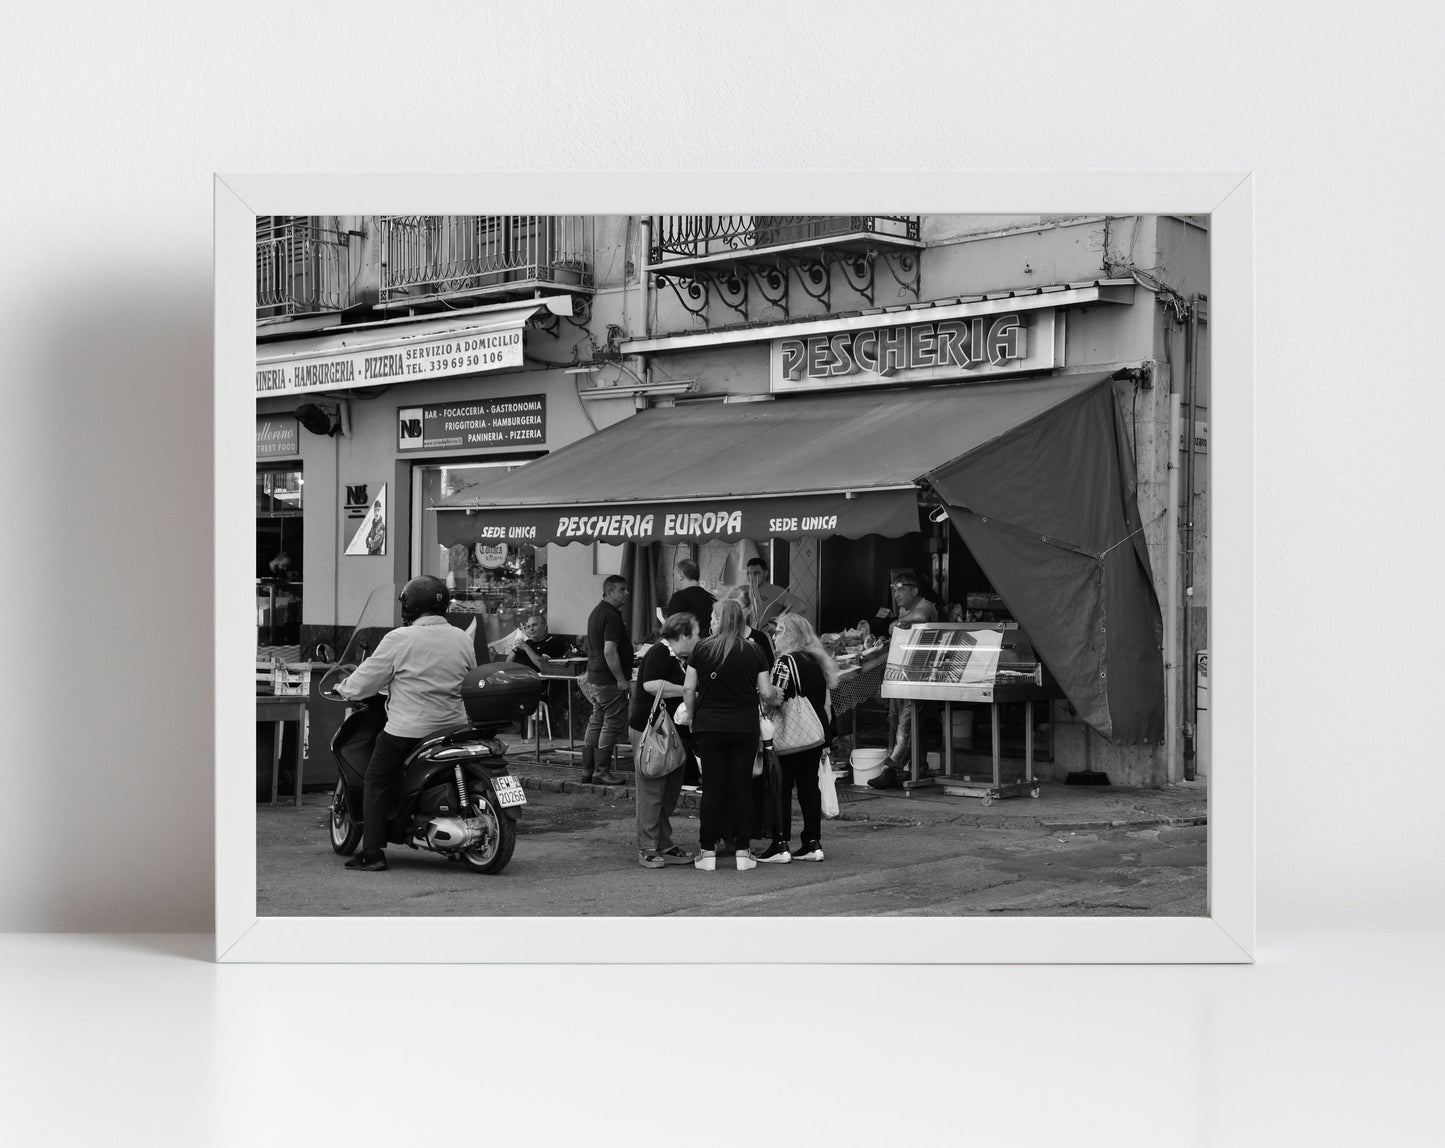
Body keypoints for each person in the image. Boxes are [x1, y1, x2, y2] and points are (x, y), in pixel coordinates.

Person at [334, 575, 477, 871]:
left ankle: (372, 852)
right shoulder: (461, 637)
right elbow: (469, 676)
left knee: (375, 780)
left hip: (409, 729)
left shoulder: (400, 638)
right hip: (453, 727)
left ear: (409, 606)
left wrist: (344, 687)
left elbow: (365, 681)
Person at [680, 597, 781, 872]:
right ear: (741, 620)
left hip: (709, 725)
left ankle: (707, 852)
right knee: (742, 788)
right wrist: (774, 697)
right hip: (744, 726)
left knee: (712, 788)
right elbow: (767, 692)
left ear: (719, 619)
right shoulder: (754, 650)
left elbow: (689, 689)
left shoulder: (701, 649)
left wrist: (691, 716)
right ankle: (743, 852)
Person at [755, 613, 840, 863]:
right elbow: (824, 702)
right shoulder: (816, 660)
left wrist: (761, 702)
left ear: (791, 634)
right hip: (814, 734)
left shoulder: (785, 662)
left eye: (779, 631)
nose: (774, 636)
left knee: (780, 788)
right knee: (808, 788)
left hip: (791, 735)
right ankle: (812, 842)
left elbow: (775, 699)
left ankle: (780, 843)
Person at [629, 613, 701, 868]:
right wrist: (687, 690)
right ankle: (647, 847)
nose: (700, 637)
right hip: (653, 730)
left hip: (673, 732)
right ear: (683, 635)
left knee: (669, 790)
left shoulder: (680, 658)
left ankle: (663, 842)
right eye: (697, 632)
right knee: (652, 790)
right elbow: (650, 684)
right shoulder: (659, 652)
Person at [868, 570, 940, 790]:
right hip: (909, 673)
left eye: (902, 589)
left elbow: (918, 619)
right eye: (894, 589)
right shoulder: (905, 610)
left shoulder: (925, 606)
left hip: (924, 675)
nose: (897, 594)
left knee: (906, 725)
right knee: (915, 724)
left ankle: (891, 769)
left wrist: (895, 624)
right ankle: (919, 766)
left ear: (915, 590)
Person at [581, 574, 632, 786]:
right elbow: (610, 651)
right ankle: (601, 771)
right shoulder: (611, 616)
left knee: (597, 721)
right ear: (609, 592)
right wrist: (621, 679)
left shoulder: (597, 612)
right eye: (621, 590)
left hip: (594, 676)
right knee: (611, 724)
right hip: (608, 680)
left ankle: (588, 771)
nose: (626, 593)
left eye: (626, 589)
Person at [664, 558, 716, 638]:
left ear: (681, 575)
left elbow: (672, 631)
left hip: (687, 648)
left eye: (674, 575)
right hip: (708, 647)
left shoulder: (679, 598)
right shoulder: (712, 598)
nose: (673, 579)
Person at [743, 556, 798, 628]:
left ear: (765, 574)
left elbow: (799, 607)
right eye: (749, 573)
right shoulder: (742, 590)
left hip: (765, 636)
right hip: (745, 635)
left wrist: (779, 624)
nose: (752, 577)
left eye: (756, 573)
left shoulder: (775, 591)